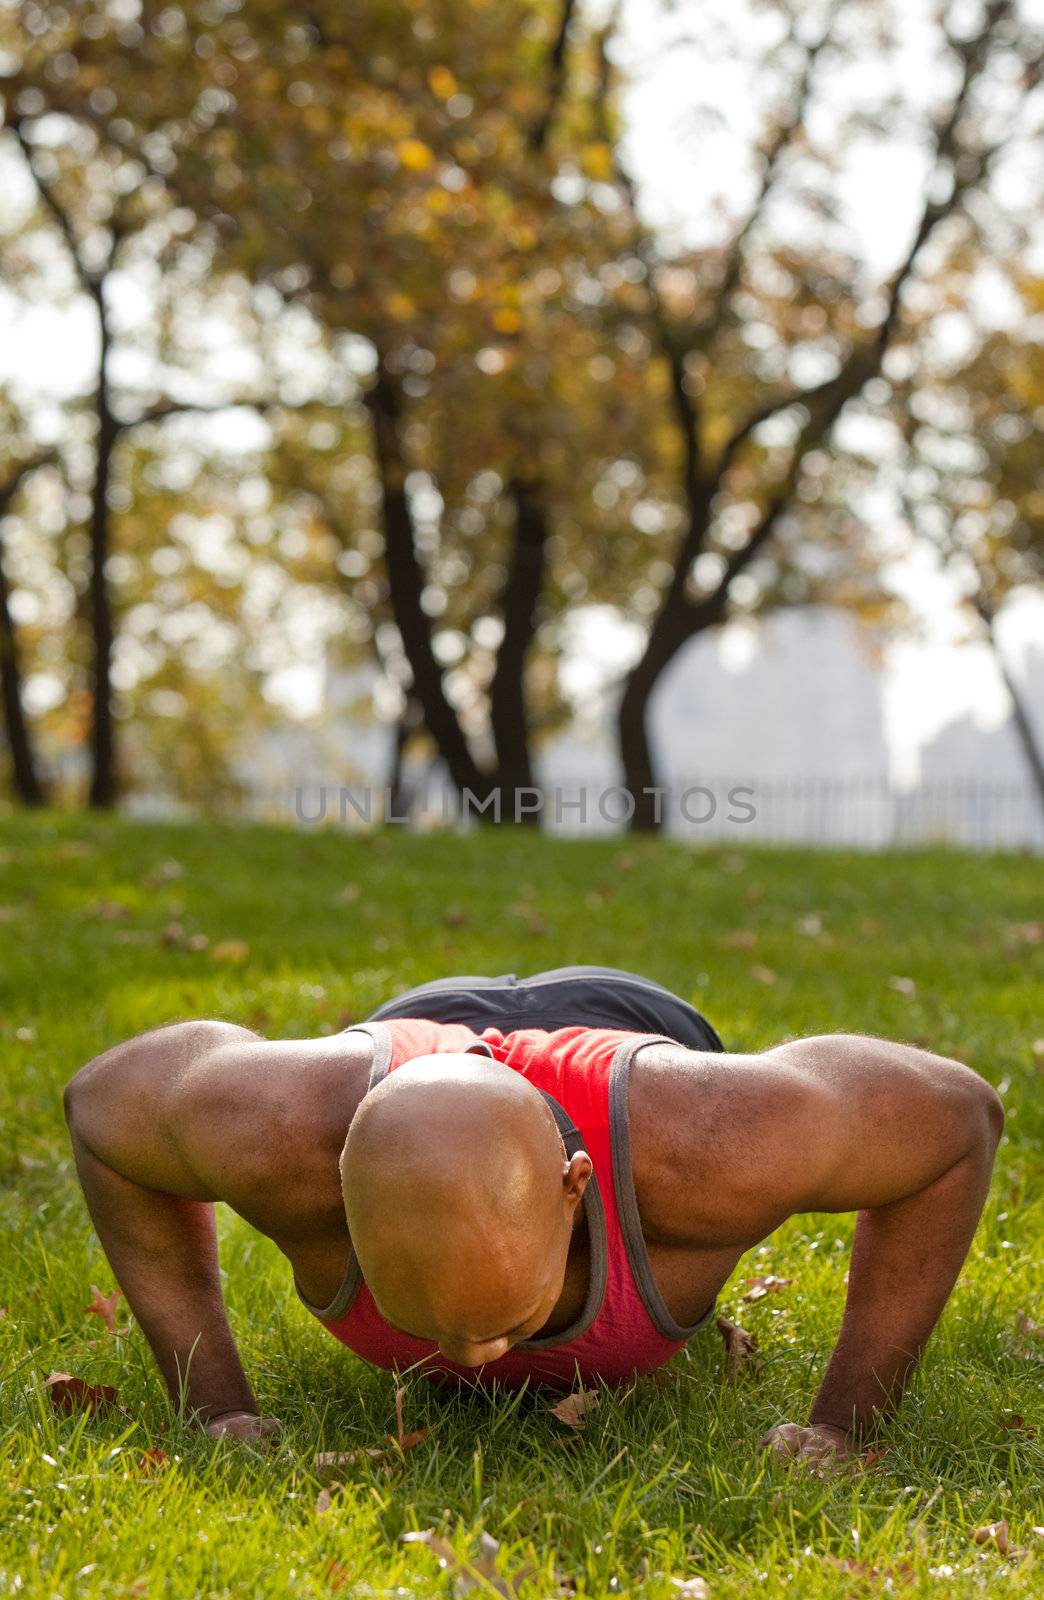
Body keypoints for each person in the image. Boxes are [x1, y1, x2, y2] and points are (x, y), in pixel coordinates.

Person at [63, 965, 1003, 1466]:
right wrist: (216, 1405)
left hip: (630, 1017)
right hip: (421, 1039)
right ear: (339, 1190)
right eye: (426, 1321)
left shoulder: (716, 1149)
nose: (474, 1366)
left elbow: (960, 1121)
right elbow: (101, 1107)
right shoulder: (279, 1138)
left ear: (577, 1189)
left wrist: (847, 1424)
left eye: (509, 1321)